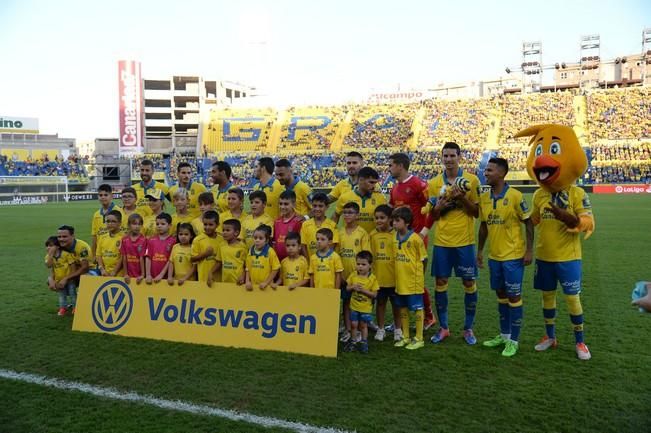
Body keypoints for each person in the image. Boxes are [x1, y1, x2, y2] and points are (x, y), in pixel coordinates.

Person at [426, 142, 481, 346]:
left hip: (465, 242)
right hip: (442, 242)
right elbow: (432, 214)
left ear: (460, 157)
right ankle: (444, 328)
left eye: (452, 155)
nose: (448, 159)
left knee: (468, 283)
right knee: (440, 282)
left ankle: (468, 329)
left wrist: (462, 198)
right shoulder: (433, 183)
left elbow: (476, 213)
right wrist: (438, 207)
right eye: (445, 156)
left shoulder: (471, 181)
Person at [477, 158, 534, 357]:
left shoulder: (516, 196)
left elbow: (528, 223)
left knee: (514, 297)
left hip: (514, 257)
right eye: (486, 170)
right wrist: (480, 251)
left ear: (501, 173)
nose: (485, 173)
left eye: (489, 170)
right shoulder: (485, 197)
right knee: (501, 296)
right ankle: (504, 334)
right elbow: (483, 226)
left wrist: (529, 251)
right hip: (495, 257)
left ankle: (514, 341)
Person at [388, 152, 437, 330]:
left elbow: (431, 209)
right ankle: (401, 321)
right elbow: (393, 213)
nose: (389, 168)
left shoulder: (418, 184)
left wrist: (423, 233)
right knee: (400, 279)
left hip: (416, 240)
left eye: (391, 165)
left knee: (416, 280)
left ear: (400, 165)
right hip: (400, 241)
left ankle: (429, 317)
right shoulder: (394, 188)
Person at [392, 207, 428, 350]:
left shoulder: (415, 239)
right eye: (393, 220)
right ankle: (406, 337)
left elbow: (424, 259)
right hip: (400, 281)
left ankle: (419, 338)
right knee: (403, 308)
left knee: (417, 308)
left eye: (397, 221)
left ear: (406, 223)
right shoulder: (394, 237)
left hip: (413, 281)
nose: (394, 223)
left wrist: (419, 276)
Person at [338, 201, 371, 343]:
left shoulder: (362, 233)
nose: (347, 215)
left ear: (357, 215)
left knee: (359, 304)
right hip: (344, 277)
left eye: (350, 212)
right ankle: (348, 329)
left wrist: (362, 275)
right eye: (345, 212)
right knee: (346, 303)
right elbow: (337, 255)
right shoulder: (339, 233)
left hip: (358, 278)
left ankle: (360, 330)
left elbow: (366, 254)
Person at [370, 204, 402, 342]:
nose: (379, 220)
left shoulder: (396, 234)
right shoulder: (372, 235)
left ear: (390, 219)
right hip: (379, 278)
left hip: (395, 277)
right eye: (376, 218)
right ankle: (381, 329)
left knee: (396, 304)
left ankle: (398, 329)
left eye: (382, 218)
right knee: (380, 303)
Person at [343, 251, 379, 354]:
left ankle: (364, 342)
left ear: (370, 265)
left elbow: (374, 295)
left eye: (363, 264)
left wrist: (363, 291)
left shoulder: (372, 279)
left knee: (363, 326)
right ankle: (353, 342)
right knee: (353, 325)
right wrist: (353, 287)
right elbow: (347, 288)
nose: (360, 267)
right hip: (354, 307)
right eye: (358, 264)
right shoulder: (353, 275)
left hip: (365, 308)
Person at [333, 167, 387, 234]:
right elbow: (335, 216)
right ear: (361, 180)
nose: (374, 186)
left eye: (375, 183)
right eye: (371, 182)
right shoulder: (345, 197)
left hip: (373, 241)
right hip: (350, 241)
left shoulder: (380, 198)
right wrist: (333, 234)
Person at [56, 225, 92, 315]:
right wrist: (52, 279)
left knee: (86, 278)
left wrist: (66, 278)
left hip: (90, 270)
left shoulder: (82, 247)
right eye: (59, 237)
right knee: (54, 282)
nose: (61, 239)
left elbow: (85, 268)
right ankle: (66, 305)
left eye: (64, 236)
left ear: (73, 236)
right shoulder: (59, 247)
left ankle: (84, 303)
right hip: (73, 272)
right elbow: (53, 265)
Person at [300, 192, 339, 264]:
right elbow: (303, 246)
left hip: (327, 265)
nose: (317, 209)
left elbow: (332, 246)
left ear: (327, 207)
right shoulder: (305, 225)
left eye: (320, 206)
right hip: (311, 264)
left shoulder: (332, 225)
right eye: (315, 206)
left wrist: (325, 262)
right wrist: (309, 262)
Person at [91, 184, 125, 265]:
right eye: (100, 195)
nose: (103, 197)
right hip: (101, 253)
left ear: (111, 196)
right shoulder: (96, 214)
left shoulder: (119, 211)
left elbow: (123, 232)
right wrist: (94, 255)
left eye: (106, 195)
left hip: (115, 253)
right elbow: (94, 236)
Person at [44, 236, 76, 316]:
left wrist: (70, 278)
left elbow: (73, 267)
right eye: (47, 246)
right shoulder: (48, 257)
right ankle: (63, 308)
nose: (48, 248)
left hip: (69, 279)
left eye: (51, 246)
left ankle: (75, 308)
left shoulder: (66, 254)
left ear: (57, 246)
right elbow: (49, 266)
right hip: (59, 281)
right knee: (62, 295)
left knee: (73, 294)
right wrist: (51, 255)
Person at [210, 219, 246, 286]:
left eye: (227, 230)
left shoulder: (243, 247)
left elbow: (246, 265)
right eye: (223, 230)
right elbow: (218, 262)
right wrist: (211, 272)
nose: (224, 232)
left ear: (236, 232)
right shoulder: (221, 245)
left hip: (238, 282)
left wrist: (243, 276)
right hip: (225, 282)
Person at [245, 225, 280, 291]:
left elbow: (275, 268)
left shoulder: (270, 251)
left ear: (266, 240)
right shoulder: (251, 250)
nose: (257, 240)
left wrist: (266, 283)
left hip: (266, 287)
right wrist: (247, 281)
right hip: (253, 287)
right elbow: (248, 268)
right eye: (255, 238)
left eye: (260, 238)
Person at [191, 210, 222, 285]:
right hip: (203, 279)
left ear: (217, 225)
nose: (207, 227)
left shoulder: (222, 239)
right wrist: (205, 254)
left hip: (220, 280)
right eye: (205, 224)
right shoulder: (198, 239)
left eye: (211, 225)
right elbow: (192, 259)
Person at [273, 190, 304, 262]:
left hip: (293, 262)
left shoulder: (299, 221)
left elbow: (302, 244)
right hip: (278, 262)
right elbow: (274, 243)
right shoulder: (277, 221)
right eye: (280, 204)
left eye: (286, 204)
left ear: (293, 204)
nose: (282, 207)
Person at [145, 212, 176, 284]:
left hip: (166, 279)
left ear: (170, 225)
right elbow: (148, 258)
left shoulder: (173, 241)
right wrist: (148, 275)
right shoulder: (151, 240)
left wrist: (161, 275)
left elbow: (171, 261)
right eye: (157, 224)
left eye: (163, 224)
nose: (159, 226)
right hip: (152, 278)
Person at [96, 210, 124, 277]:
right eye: (108, 221)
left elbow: (122, 257)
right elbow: (98, 255)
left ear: (119, 223)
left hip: (119, 274)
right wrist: (102, 269)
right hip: (104, 273)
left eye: (113, 221)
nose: (110, 224)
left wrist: (114, 271)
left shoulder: (123, 238)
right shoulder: (102, 237)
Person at [120, 213, 147, 285]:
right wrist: (126, 274)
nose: (137, 227)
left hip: (139, 276)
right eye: (134, 224)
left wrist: (143, 275)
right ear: (129, 225)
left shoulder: (143, 240)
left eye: (139, 224)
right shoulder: (124, 239)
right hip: (128, 275)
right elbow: (124, 257)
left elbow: (142, 258)